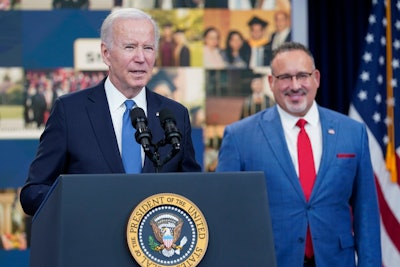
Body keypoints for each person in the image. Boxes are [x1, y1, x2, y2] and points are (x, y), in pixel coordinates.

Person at [20, 8, 201, 217]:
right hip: (91, 241)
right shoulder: (70, 111)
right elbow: (33, 192)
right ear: (106, 53)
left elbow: (193, 190)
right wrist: (81, 203)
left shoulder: (175, 115)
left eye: (148, 48)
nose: (141, 58)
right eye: (130, 47)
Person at [216, 42, 381, 266]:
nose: (295, 86)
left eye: (302, 75)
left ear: (316, 78)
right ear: (271, 82)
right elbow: (226, 214)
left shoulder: (352, 132)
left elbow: (366, 212)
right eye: (285, 77)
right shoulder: (239, 137)